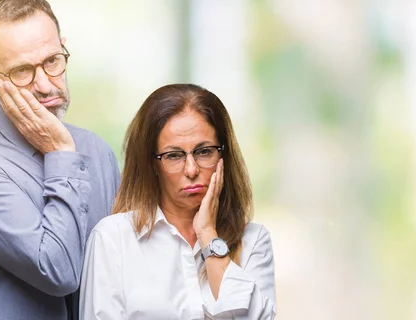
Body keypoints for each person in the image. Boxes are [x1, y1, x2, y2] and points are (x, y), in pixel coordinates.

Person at [0, 1, 120, 319]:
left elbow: (123, 271)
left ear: (63, 49)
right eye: (22, 71)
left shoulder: (98, 151)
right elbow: (58, 272)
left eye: (52, 61)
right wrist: (61, 153)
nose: (45, 84)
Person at [79, 84, 277, 319]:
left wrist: (208, 234)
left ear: (223, 155)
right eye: (173, 156)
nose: (191, 170)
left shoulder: (253, 241)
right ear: (152, 163)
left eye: (204, 151)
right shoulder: (113, 238)